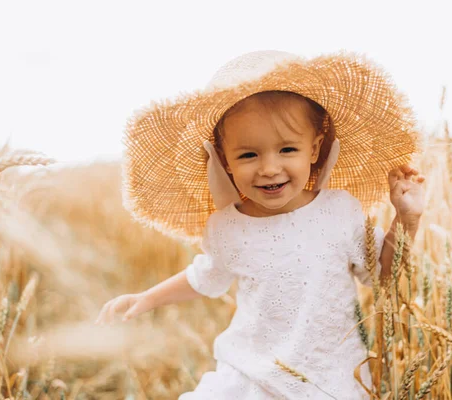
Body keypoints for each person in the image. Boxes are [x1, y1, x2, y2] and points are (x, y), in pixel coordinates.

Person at [95, 50, 425, 399]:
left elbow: (383, 275)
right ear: (225, 161)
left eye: (287, 150)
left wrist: (408, 219)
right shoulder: (228, 227)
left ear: (314, 149)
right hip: (249, 374)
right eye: (249, 155)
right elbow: (204, 277)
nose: (269, 168)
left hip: (327, 377)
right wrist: (146, 298)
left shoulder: (339, 212)